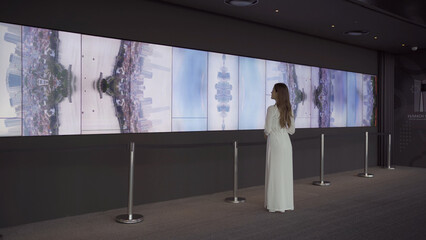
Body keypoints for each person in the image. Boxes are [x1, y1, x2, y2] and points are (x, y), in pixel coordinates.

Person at [264, 83, 295, 213]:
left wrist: (270, 133)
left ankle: (274, 204)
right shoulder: (289, 109)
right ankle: (285, 203)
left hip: (275, 142)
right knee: (285, 173)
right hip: (286, 142)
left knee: (275, 172)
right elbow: (292, 130)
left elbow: (267, 129)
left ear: (278, 93)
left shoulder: (271, 109)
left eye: (273, 91)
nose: (271, 92)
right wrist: (283, 130)